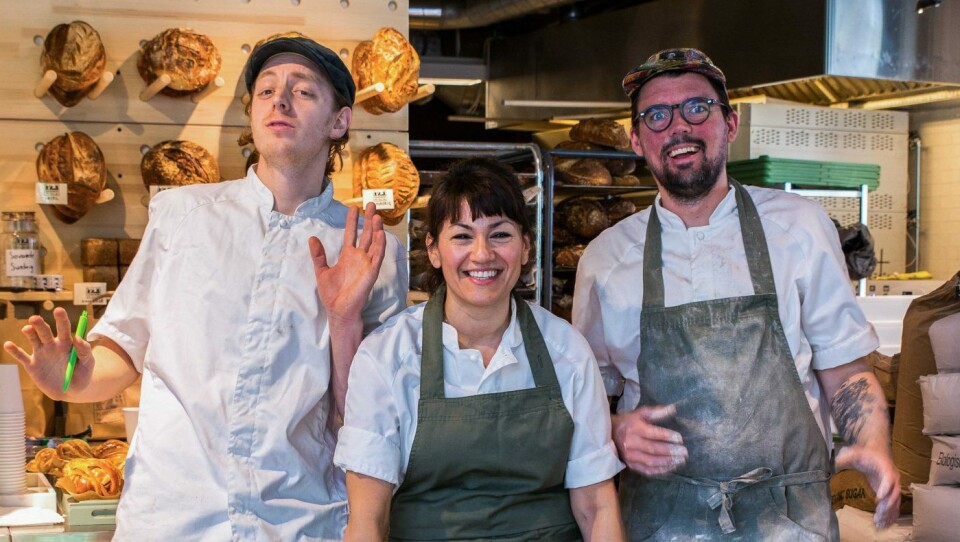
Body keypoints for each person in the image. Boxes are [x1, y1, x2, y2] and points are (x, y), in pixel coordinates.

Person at [3, 35, 408, 540]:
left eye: (302, 91)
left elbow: (369, 420)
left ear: (339, 122)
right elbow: (122, 352)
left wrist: (345, 321)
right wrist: (72, 378)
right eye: (265, 90)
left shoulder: (371, 249)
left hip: (298, 522)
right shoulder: (182, 216)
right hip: (172, 519)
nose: (279, 101)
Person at [573, 48, 900, 540]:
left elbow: (847, 371)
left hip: (790, 520)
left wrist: (872, 444)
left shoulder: (801, 227)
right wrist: (616, 431)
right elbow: (589, 399)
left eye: (697, 108)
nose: (678, 126)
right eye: (657, 115)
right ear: (638, 140)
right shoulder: (604, 260)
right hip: (661, 521)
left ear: (730, 123)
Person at [333, 158, 625, 541]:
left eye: (500, 234)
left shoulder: (566, 349)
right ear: (434, 250)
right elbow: (368, 521)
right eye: (462, 236)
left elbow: (596, 507)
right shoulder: (388, 356)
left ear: (525, 246)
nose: (482, 254)